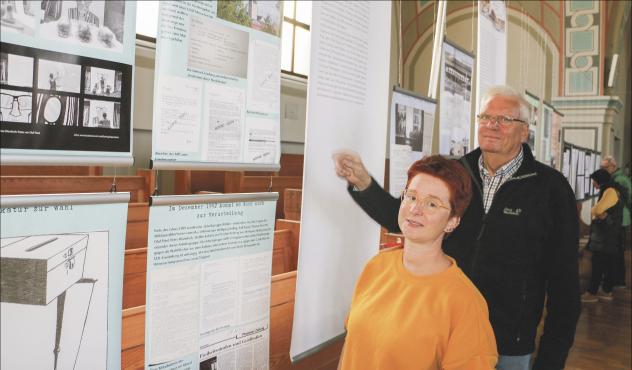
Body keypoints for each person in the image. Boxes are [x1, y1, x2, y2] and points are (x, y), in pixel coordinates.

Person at [334, 85, 580, 370]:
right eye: (486, 117)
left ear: (525, 131)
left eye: (504, 120)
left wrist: (551, 361)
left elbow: (565, 284)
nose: (492, 126)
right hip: (436, 327)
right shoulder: (456, 173)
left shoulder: (550, 188)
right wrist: (364, 183)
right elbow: (407, 219)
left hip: (508, 342)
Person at [339, 156, 497, 370]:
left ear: (452, 221)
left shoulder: (465, 303)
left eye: (432, 204)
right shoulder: (376, 266)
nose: (415, 209)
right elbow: (351, 346)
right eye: (411, 197)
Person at [581, 169, 623, 303]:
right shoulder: (609, 190)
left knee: (598, 265)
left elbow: (596, 210)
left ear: (600, 180)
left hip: (606, 238)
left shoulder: (609, 191)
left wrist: (596, 211)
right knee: (606, 265)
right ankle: (605, 291)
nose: (593, 183)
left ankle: (592, 293)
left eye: (594, 180)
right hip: (608, 237)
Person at [600, 155, 631, 289]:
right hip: (618, 219)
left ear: (613, 166)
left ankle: (617, 281)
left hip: (620, 220)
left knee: (616, 252)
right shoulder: (614, 179)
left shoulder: (621, 180)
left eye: (605, 167)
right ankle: (617, 281)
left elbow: (629, 199)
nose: (603, 170)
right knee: (616, 251)